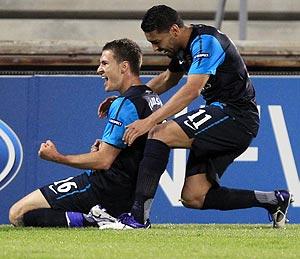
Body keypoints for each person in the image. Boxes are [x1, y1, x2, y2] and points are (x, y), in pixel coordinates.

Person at [102, 5, 294, 229]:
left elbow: (191, 91)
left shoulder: (206, 42)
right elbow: (167, 80)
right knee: (194, 196)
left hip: (236, 116)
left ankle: (137, 217)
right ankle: (273, 199)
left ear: (174, 30)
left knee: (159, 132)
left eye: (157, 42)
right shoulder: (183, 49)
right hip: (224, 117)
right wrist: (127, 98)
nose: (155, 49)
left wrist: (149, 120)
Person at [8, 38, 162, 228]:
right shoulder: (151, 97)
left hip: (103, 188)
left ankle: (95, 218)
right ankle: (96, 217)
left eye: (104, 63)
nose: (99, 69)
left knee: (18, 214)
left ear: (124, 67)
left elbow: (103, 161)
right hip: (128, 196)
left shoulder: (125, 104)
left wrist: (57, 157)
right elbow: (139, 149)